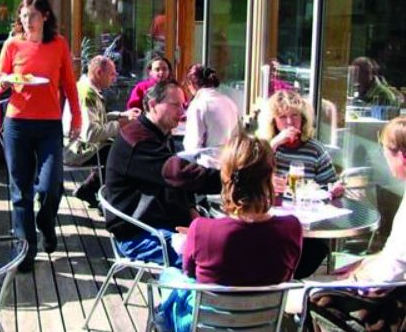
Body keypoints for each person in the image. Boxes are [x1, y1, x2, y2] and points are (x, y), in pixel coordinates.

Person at [157, 132, 303, 331]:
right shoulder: (292, 228)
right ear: (270, 177)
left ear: (226, 176)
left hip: (208, 325)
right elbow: (288, 275)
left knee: (168, 276)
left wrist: (190, 240)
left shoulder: (201, 229)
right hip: (265, 324)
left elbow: (189, 273)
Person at [0, 0, 81, 272]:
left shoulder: (58, 44)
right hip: (17, 124)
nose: (25, 20)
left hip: (49, 125)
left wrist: (77, 118)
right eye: (22, 15)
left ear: (44, 16)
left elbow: (69, 84)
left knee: (50, 185)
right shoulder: (12, 45)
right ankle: (26, 250)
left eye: (31, 15)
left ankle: (46, 220)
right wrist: (5, 81)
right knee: (20, 191)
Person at [305, 116, 406, 330]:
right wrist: (365, 262)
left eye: (386, 151)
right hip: (393, 286)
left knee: (314, 297)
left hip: (395, 299)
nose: (385, 158)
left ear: (402, 157)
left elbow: (394, 269)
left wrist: (358, 277)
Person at [104, 79, 220, 265]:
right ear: (152, 105)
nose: (182, 112)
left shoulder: (159, 133)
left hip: (159, 222)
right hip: (137, 234)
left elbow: (176, 182)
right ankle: (184, 294)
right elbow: (179, 174)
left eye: (183, 105)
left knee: (215, 246)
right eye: (175, 105)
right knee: (204, 258)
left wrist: (191, 208)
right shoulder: (138, 140)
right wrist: (232, 179)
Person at [257, 89, 344, 278]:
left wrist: (334, 190)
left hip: (304, 227)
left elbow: (329, 184)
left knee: (314, 250)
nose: (289, 122)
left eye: (294, 116)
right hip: (270, 223)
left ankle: (285, 289)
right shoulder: (265, 146)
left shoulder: (314, 149)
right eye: (283, 117)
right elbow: (248, 175)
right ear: (274, 121)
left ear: (303, 119)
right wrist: (274, 144)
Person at [64, 55, 140, 207]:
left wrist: (121, 115)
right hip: (75, 149)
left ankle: (89, 190)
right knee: (119, 152)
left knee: (114, 150)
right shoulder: (87, 94)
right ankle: (109, 201)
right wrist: (121, 124)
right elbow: (91, 134)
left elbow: (98, 120)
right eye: (112, 74)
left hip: (77, 144)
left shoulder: (87, 88)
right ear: (99, 72)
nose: (115, 77)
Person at [182, 64, 239, 152]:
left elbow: (192, 146)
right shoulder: (230, 102)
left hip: (209, 160)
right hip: (230, 158)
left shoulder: (198, 104)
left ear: (191, 84)